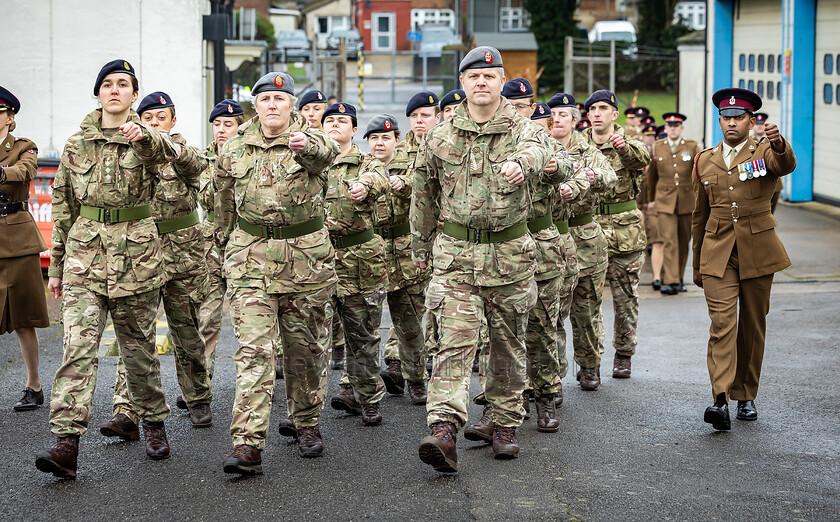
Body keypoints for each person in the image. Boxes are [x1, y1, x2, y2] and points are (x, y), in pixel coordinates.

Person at [36, 59, 190, 478]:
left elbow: (188, 165)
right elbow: (64, 206)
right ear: (98, 93)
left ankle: (154, 423)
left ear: (134, 94)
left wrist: (150, 140)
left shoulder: (149, 139)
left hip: (137, 256)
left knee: (138, 350)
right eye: (108, 84)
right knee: (77, 350)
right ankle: (67, 442)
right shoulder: (75, 145)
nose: (115, 90)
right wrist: (57, 267)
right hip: (86, 258)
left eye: (124, 84)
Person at [412, 46, 555, 472]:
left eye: (489, 76)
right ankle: (443, 429)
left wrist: (521, 164)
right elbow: (423, 194)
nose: (481, 82)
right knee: (453, 343)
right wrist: (420, 248)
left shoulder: (522, 127)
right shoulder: (440, 134)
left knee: (507, 346)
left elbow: (542, 152)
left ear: (500, 82)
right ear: (462, 83)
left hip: (509, 257)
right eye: (473, 76)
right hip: (455, 256)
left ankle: (506, 424)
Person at [216, 72, 339, 472]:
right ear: (256, 105)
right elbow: (222, 202)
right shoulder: (235, 147)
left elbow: (325, 154)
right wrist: (223, 249)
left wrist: (305, 146)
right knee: (255, 351)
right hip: (251, 258)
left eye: (280, 99)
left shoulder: (310, 139)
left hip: (305, 261)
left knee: (304, 350)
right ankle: (247, 442)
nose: (272, 105)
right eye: (265, 98)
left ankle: (306, 422)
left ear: (291, 106)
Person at [100, 91, 212, 440]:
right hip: (140, 254)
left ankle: (197, 396)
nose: (153, 124)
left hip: (183, 254)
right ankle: (126, 408)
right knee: (134, 333)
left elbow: (203, 181)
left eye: (160, 118)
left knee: (186, 329)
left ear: (172, 121)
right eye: (147, 119)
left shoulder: (184, 154)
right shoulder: (129, 154)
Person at [693, 88, 796, 431]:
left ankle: (745, 394)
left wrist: (779, 143)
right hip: (717, 253)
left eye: (739, 118)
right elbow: (699, 216)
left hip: (757, 250)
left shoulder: (764, 150)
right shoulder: (705, 159)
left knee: (751, 325)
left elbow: (784, 165)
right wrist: (697, 264)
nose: (732, 123)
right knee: (722, 326)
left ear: (752, 121)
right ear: (719, 121)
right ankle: (720, 399)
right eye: (726, 118)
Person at [322, 102, 391, 427]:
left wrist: (366, 187)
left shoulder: (366, 163)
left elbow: (379, 177)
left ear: (353, 129)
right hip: (315, 260)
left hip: (360, 261)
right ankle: (304, 414)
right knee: (310, 339)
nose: (335, 125)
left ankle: (368, 397)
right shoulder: (307, 164)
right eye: (329, 120)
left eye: (342, 121)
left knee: (362, 335)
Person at [548, 93, 617, 392]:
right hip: (552, 239)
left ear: (576, 121)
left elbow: (609, 176)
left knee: (586, 307)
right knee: (553, 309)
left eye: (564, 115)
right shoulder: (541, 148)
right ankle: (553, 374)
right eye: (553, 115)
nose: (558, 120)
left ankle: (589, 365)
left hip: (585, 238)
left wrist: (591, 176)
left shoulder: (586, 150)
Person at [362, 114, 431, 405]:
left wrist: (402, 185)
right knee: (365, 324)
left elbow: (424, 193)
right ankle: (362, 387)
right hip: (370, 254)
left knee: (410, 323)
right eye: (374, 138)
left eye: (385, 138)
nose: (380, 143)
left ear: (396, 141)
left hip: (404, 252)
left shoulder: (412, 164)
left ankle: (416, 379)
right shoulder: (360, 169)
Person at [582, 89, 650, 379]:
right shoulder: (578, 145)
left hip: (625, 234)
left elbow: (641, 158)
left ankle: (624, 354)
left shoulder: (629, 142)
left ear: (614, 114)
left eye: (603, 108)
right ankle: (590, 362)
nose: (597, 113)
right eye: (592, 109)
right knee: (587, 302)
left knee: (625, 301)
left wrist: (621, 147)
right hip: (588, 232)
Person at [381, 91, 442, 379]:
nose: (419, 121)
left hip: (444, 236)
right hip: (409, 241)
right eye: (415, 117)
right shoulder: (398, 152)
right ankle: (397, 361)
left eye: (425, 116)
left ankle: (429, 357)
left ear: (437, 117)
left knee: (434, 305)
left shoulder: (446, 147)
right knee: (409, 304)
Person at [0, 86, 50, 412]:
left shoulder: (23, 147)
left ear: (9, 117)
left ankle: (34, 385)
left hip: (17, 240)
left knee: (23, 319)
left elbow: (25, 172)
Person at [198, 99, 245, 380]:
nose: (221, 130)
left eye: (228, 124)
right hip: (211, 246)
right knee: (207, 317)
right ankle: (202, 382)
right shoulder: (203, 160)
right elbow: (203, 195)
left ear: (240, 128)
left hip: (244, 246)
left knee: (247, 318)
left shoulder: (249, 157)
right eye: (217, 124)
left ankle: (255, 379)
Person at [646, 113, 700, 296]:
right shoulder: (657, 147)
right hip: (664, 201)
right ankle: (671, 280)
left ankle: (679, 278)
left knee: (684, 241)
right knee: (669, 240)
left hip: (686, 201)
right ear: (666, 128)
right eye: (670, 125)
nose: (673, 128)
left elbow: (698, 174)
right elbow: (651, 176)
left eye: (677, 125)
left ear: (682, 127)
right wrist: (651, 198)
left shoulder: (692, 146)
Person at [639, 124, 664, 290]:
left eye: (652, 135)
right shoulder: (639, 154)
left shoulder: (658, 156)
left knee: (658, 240)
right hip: (639, 202)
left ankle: (659, 277)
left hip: (656, 204)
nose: (650, 138)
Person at [753, 113, 784, 213]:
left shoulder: (774, 141)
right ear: (752, 125)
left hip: (774, 184)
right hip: (755, 184)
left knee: (770, 214)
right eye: (757, 124)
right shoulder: (747, 142)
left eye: (762, 124)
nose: (759, 126)